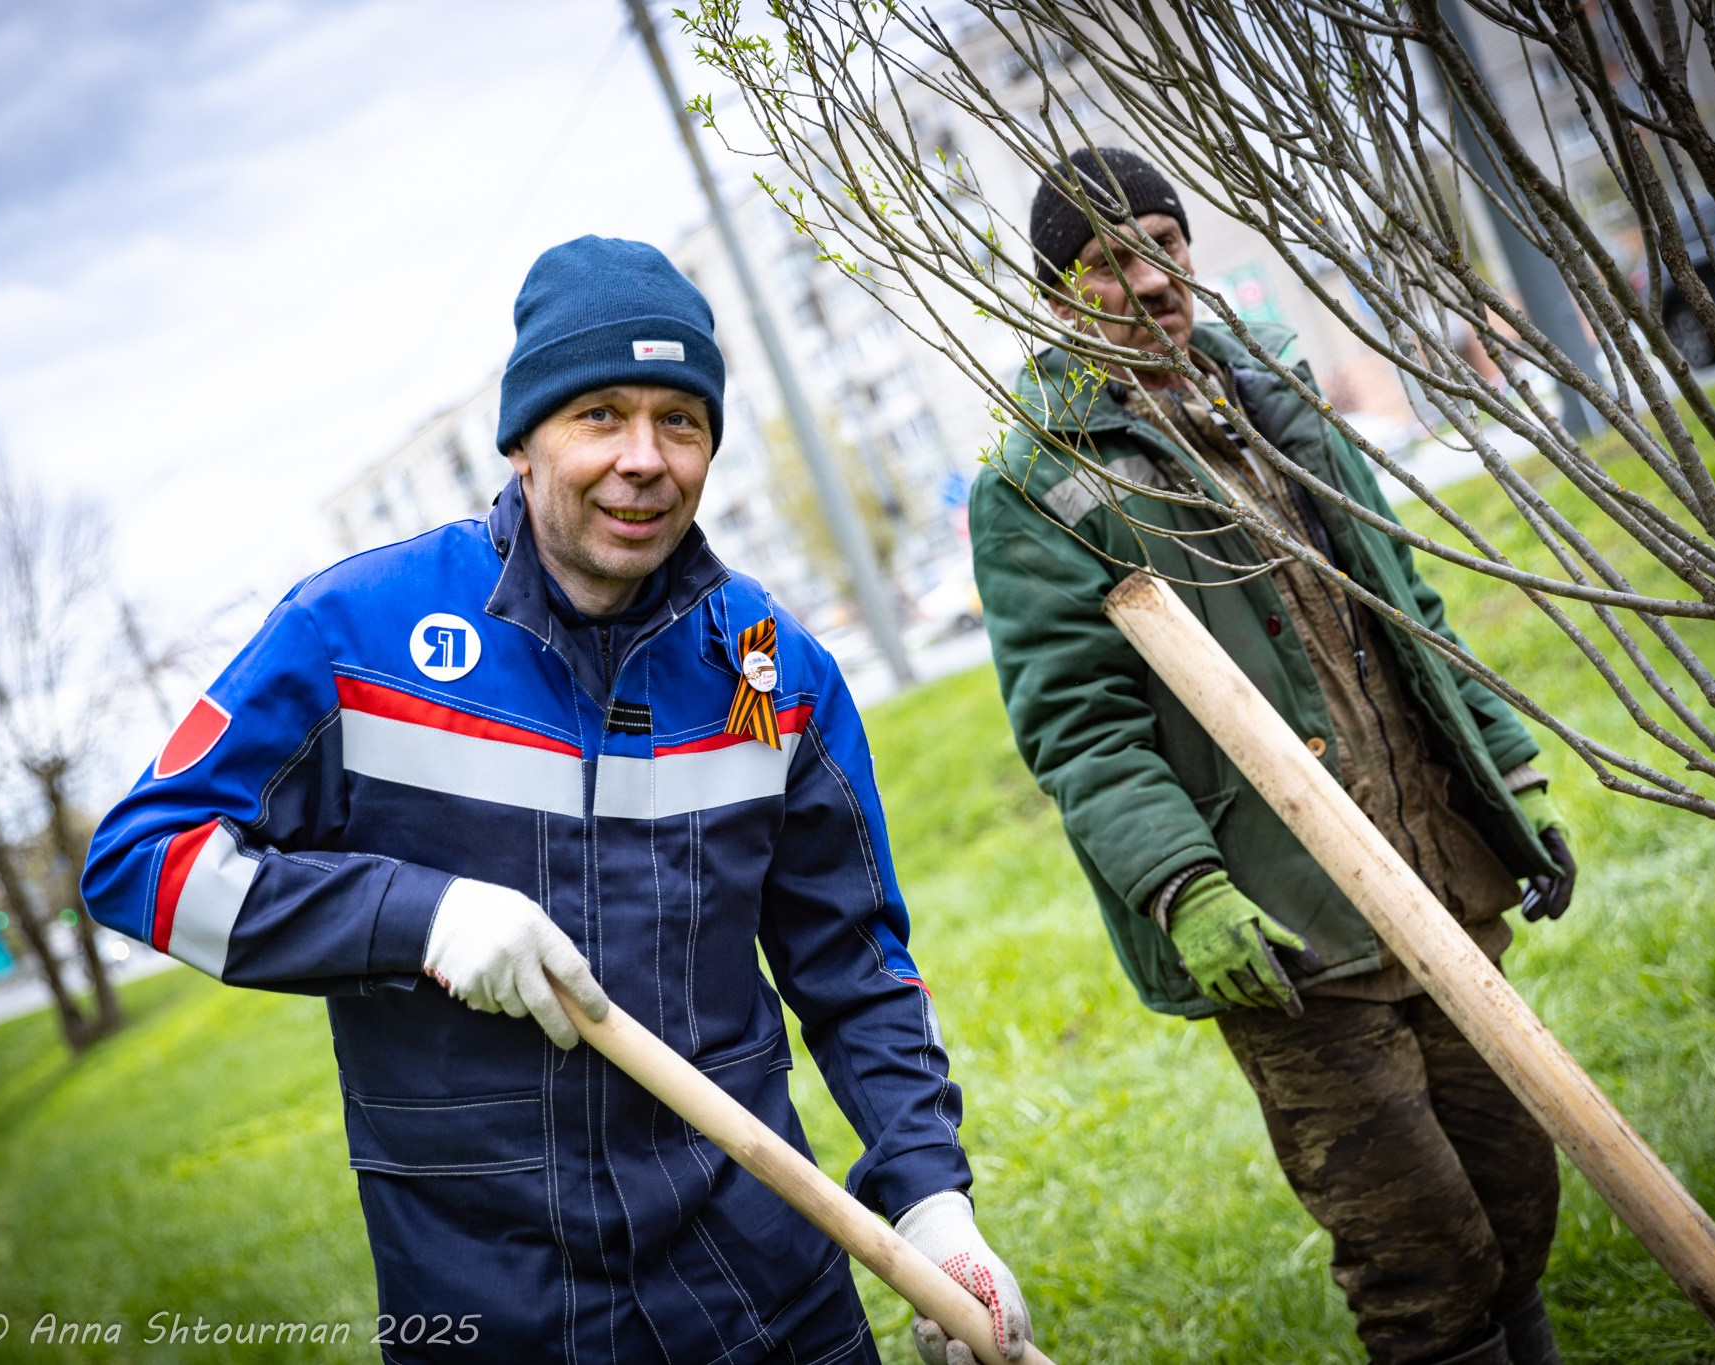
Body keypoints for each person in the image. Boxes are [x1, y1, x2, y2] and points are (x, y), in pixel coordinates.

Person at [84, 236, 1032, 1365]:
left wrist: (933, 1205)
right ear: (524, 440)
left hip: (771, 1301)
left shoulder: (773, 674)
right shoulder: (355, 637)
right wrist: (417, 918)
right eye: (600, 413)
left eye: (680, 421)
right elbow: (141, 862)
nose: (645, 458)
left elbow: (857, 972)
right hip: (498, 1317)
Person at [968, 149, 1578, 1365]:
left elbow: (1405, 603)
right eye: (1103, 261)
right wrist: (1185, 887)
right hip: (1292, 931)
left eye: (1163, 243)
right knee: (1422, 1254)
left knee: (1518, 1200)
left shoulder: (1276, 403)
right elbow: (1080, 730)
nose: (1146, 279)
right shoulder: (1044, 481)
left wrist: (1507, 775)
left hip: (1438, 879)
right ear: (1055, 294)